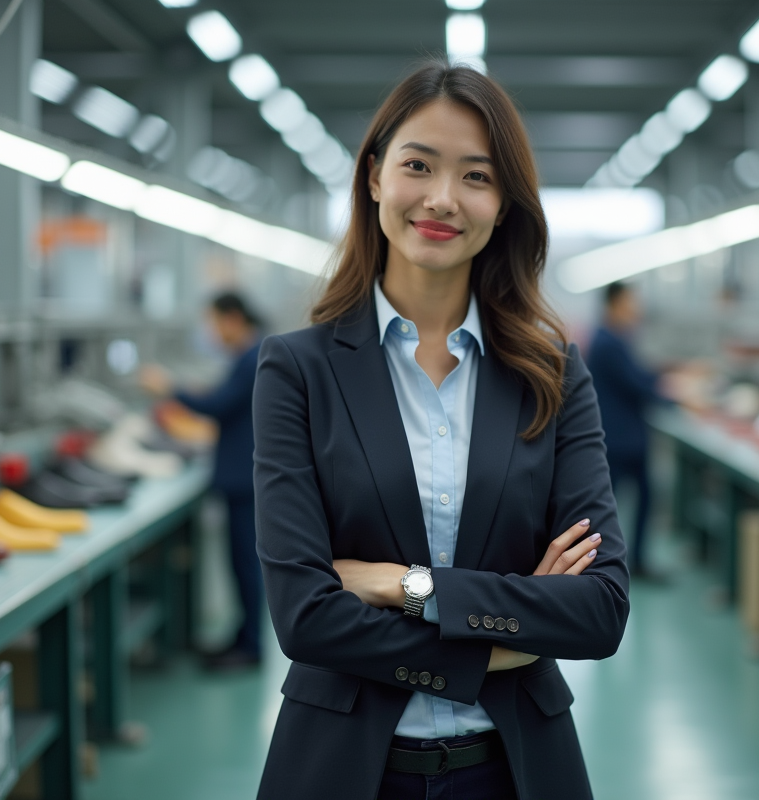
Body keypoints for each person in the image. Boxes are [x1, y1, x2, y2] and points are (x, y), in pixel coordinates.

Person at [251, 63, 629, 800]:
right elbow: (306, 618)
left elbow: (598, 610)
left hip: (517, 768)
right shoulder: (297, 370)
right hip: (342, 768)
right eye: (417, 165)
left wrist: (405, 587)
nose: (442, 199)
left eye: (477, 177)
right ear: (373, 179)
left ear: (503, 206)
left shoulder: (551, 375)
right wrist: (504, 642)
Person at [140, 292, 264, 671]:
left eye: (212, 322)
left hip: (245, 481)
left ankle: (250, 648)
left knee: (246, 565)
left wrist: (170, 389)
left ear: (232, 318)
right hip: (243, 478)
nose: (210, 332)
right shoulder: (249, 355)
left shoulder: (252, 356)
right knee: (240, 564)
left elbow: (219, 406)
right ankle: (242, 639)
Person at [586, 281, 663, 579]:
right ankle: (604, 566)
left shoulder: (614, 338)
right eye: (631, 301)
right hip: (618, 441)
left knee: (638, 498)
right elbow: (637, 383)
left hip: (625, 438)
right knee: (609, 506)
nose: (636, 308)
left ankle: (631, 561)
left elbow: (639, 375)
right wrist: (676, 394)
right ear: (615, 304)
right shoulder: (608, 342)